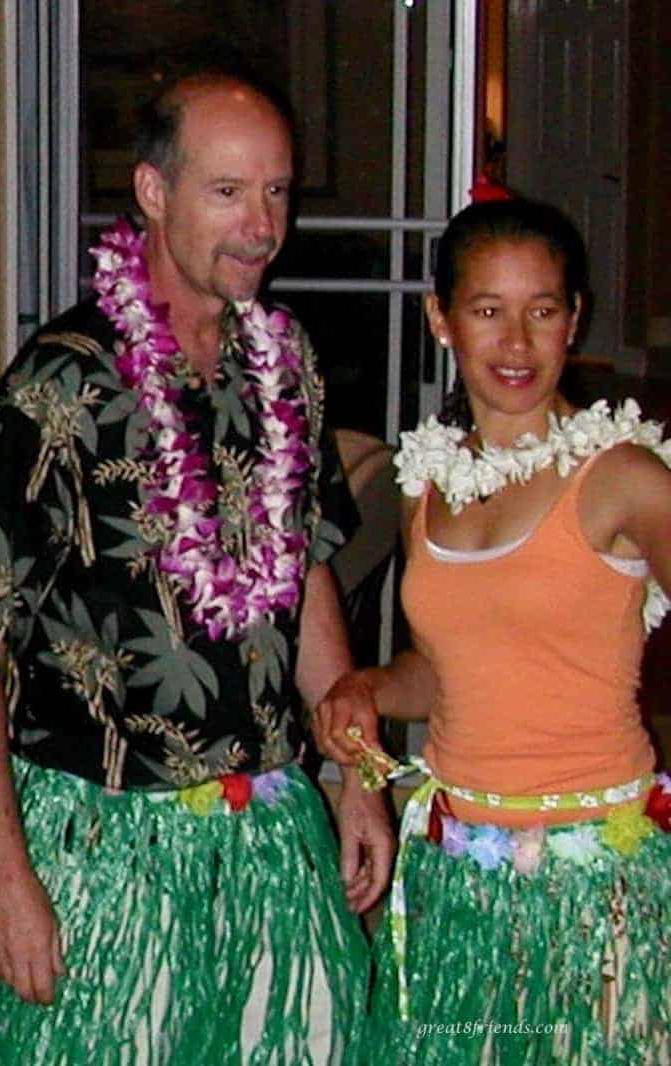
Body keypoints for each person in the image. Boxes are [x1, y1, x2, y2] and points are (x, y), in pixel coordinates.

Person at [0, 67, 394, 1065]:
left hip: (268, 832)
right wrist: (7, 876)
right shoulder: (58, 388)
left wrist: (355, 775)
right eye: (228, 191)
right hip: (103, 849)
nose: (261, 224)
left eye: (277, 192)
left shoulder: (284, 362)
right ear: (152, 192)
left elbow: (304, 567)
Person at [316, 198, 671, 1064]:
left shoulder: (623, 477)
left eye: (542, 311)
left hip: (593, 878)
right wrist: (364, 687)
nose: (517, 343)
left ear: (573, 319)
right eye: (488, 311)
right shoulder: (425, 486)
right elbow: (445, 673)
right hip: (456, 870)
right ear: (441, 318)